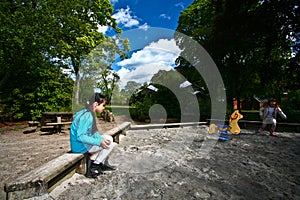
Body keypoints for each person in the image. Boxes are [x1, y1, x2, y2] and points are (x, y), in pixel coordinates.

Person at [70, 93, 116, 178]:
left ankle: (100, 163)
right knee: (111, 144)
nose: (104, 107)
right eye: (103, 105)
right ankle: (95, 166)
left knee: (108, 139)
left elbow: (93, 133)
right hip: (79, 147)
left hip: (80, 144)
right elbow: (80, 136)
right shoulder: (87, 116)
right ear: (95, 104)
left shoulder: (87, 112)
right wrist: (99, 142)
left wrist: (100, 139)